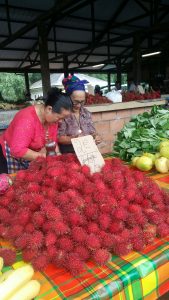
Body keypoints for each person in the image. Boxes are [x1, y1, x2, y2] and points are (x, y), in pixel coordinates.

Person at [0, 88, 72, 174]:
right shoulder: (27, 119)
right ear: (49, 109)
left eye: (63, 119)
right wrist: (44, 157)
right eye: (60, 118)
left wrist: (58, 155)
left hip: (32, 156)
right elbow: (17, 150)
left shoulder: (52, 120)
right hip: (11, 156)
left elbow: (52, 141)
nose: (61, 121)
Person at [58, 75, 101, 153]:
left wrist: (96, 136)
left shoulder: (86, 113)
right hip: (70, 154)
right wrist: (75, 139)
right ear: (68, 97)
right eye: (75, 102)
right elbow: (59, 138)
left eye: (82, 102)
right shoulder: (63, 115)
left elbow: (92, 131)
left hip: (87, 152)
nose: (79, 105)